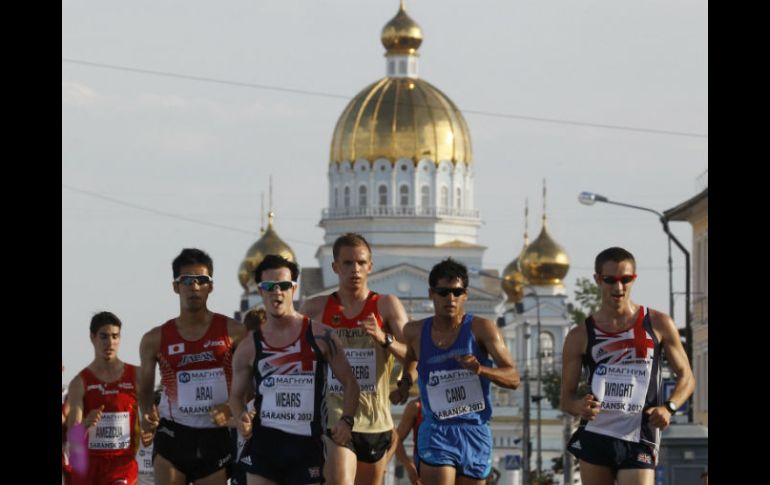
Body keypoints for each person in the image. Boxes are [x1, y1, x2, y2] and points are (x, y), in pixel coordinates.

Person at [560, 247, 695, 485]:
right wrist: (579, 406)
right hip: (597, 432)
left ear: (634, 279)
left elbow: (687, 377)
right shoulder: (580, 335)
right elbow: (566, 399)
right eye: (610, 280)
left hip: (639, 433)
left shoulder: (658, 323)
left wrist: (669, 407)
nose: (618, 288)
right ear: (598, 279)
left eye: (626, 279)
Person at [230, 254, 360, 484]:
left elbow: (350, 383)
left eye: (283, 286)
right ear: (260, 291)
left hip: (306, 445)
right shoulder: (250, 346)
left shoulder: (321, 335)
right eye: (269, 286)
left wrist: (346, 420)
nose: (276, 292)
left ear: (294, 288)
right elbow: (236, 396)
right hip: (264, 445)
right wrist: (241, 417)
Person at [391, 258, 520, 485]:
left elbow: (514, 378)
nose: (450, 298)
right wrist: (404, 385)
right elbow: (411, 359)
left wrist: (481, 370)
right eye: (443, 292)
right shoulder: (415, 331)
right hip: (437, 431)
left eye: (457, 292)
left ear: (466, 294)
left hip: (474, 431)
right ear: (431, 293)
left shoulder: (483, 329)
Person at [300, 233, 409, 485]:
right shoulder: (315, 308)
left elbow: (413, 354)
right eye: (348, 263)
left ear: (370, 266)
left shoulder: (386, 306)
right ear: (335, 267)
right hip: (335, 416)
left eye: (361, 263)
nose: (355, 270)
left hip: (376, 420)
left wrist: (385, 339)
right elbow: (293, 354)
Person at [138, 248, 247, 485]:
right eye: (187, 280)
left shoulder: (235, 332)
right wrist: (146, 414)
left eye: (201, 280)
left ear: (211, 286)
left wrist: (231, 407)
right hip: (173, 434)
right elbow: (145, 391)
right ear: (176, 286)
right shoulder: (154, 339)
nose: (194, 286)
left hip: (215, 436)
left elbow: (252, 381)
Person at [66, 311, 141, 485]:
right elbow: (72, 435)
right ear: (92, 338)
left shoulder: (136, 375)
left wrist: (150, 425)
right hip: (88, 465)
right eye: (104, 336)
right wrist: (86, 423)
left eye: (115, 336)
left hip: (122, 464)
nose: (110, 343)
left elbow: (150, 416)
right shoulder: (79, 382)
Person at [393, 398, 423, 485]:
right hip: (423, 469)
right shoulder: (416, 406)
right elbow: (396, 440)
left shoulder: (462, 404)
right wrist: (409, 467)